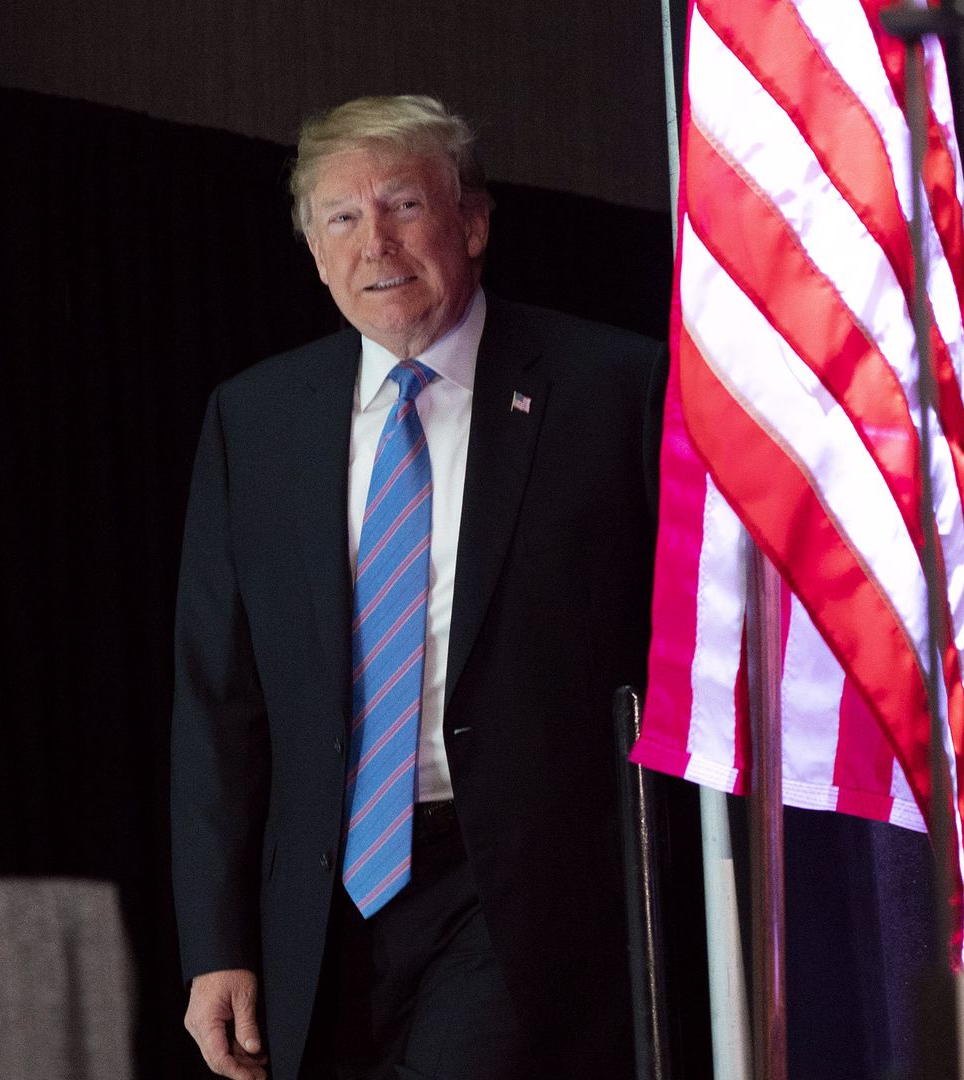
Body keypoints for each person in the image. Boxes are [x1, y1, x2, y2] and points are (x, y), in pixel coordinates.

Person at [172, 95, 665, 1080]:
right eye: (341, 219)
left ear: (473, 223)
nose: (375, 243)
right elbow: (217, 701)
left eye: (402, 205)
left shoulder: (612, 386)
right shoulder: (256, 421)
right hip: (323, 909)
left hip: (516, 892)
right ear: (313, 250)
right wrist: (217, 944)